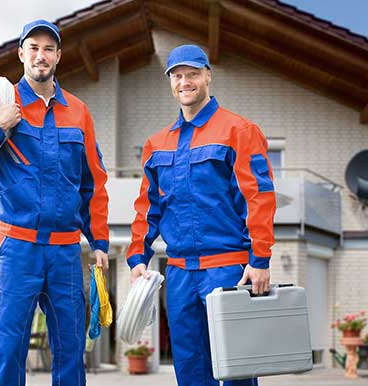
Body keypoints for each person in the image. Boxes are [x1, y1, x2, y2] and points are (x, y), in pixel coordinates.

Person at [0, 19, 109, 386]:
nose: (41, 56)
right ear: (21, 54)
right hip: (16, 246)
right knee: (8, 350)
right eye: (33, 48)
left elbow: (92, 183)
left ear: (58, 56)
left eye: (48, 49)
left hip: (66, 251)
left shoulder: (79, 112)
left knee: (71, 350)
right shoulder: (1, 100)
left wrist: (99, 241)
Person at [127, 44, 276, 386]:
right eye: (177, 75)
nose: (184, 81)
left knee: (237, 370)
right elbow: (147, 207)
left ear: (208, 76)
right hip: (179, 274)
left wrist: (261, 259)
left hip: (228, 270)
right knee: (191, 370)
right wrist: (138, 256)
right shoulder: (157, 144)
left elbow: (259, 198)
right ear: (170, 81)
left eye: (192, 73)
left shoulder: (238, 130)